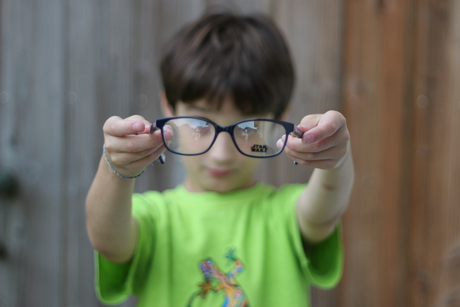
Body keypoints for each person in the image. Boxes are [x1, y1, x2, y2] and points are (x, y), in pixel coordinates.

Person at [86, 10, 354, 307]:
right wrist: (115, 168)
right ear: (169, 108)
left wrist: (335, 159)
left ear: (278, 118)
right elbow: (106, 238)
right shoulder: (154, 218)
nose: (222, 154)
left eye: (247, 127)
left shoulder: (286, 216)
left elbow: (326, 207)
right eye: (201, 124)